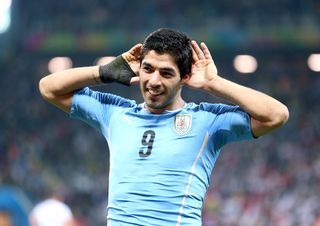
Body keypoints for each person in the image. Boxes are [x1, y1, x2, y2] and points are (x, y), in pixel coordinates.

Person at [39, 28, 289, 226]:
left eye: (166, 73)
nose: (153, 81)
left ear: (185, 77)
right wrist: (105, 71)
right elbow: (49, 88)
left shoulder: (207, 120)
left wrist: (214, 83)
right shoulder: (115, 113)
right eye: (148, 69)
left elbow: (276, 115)